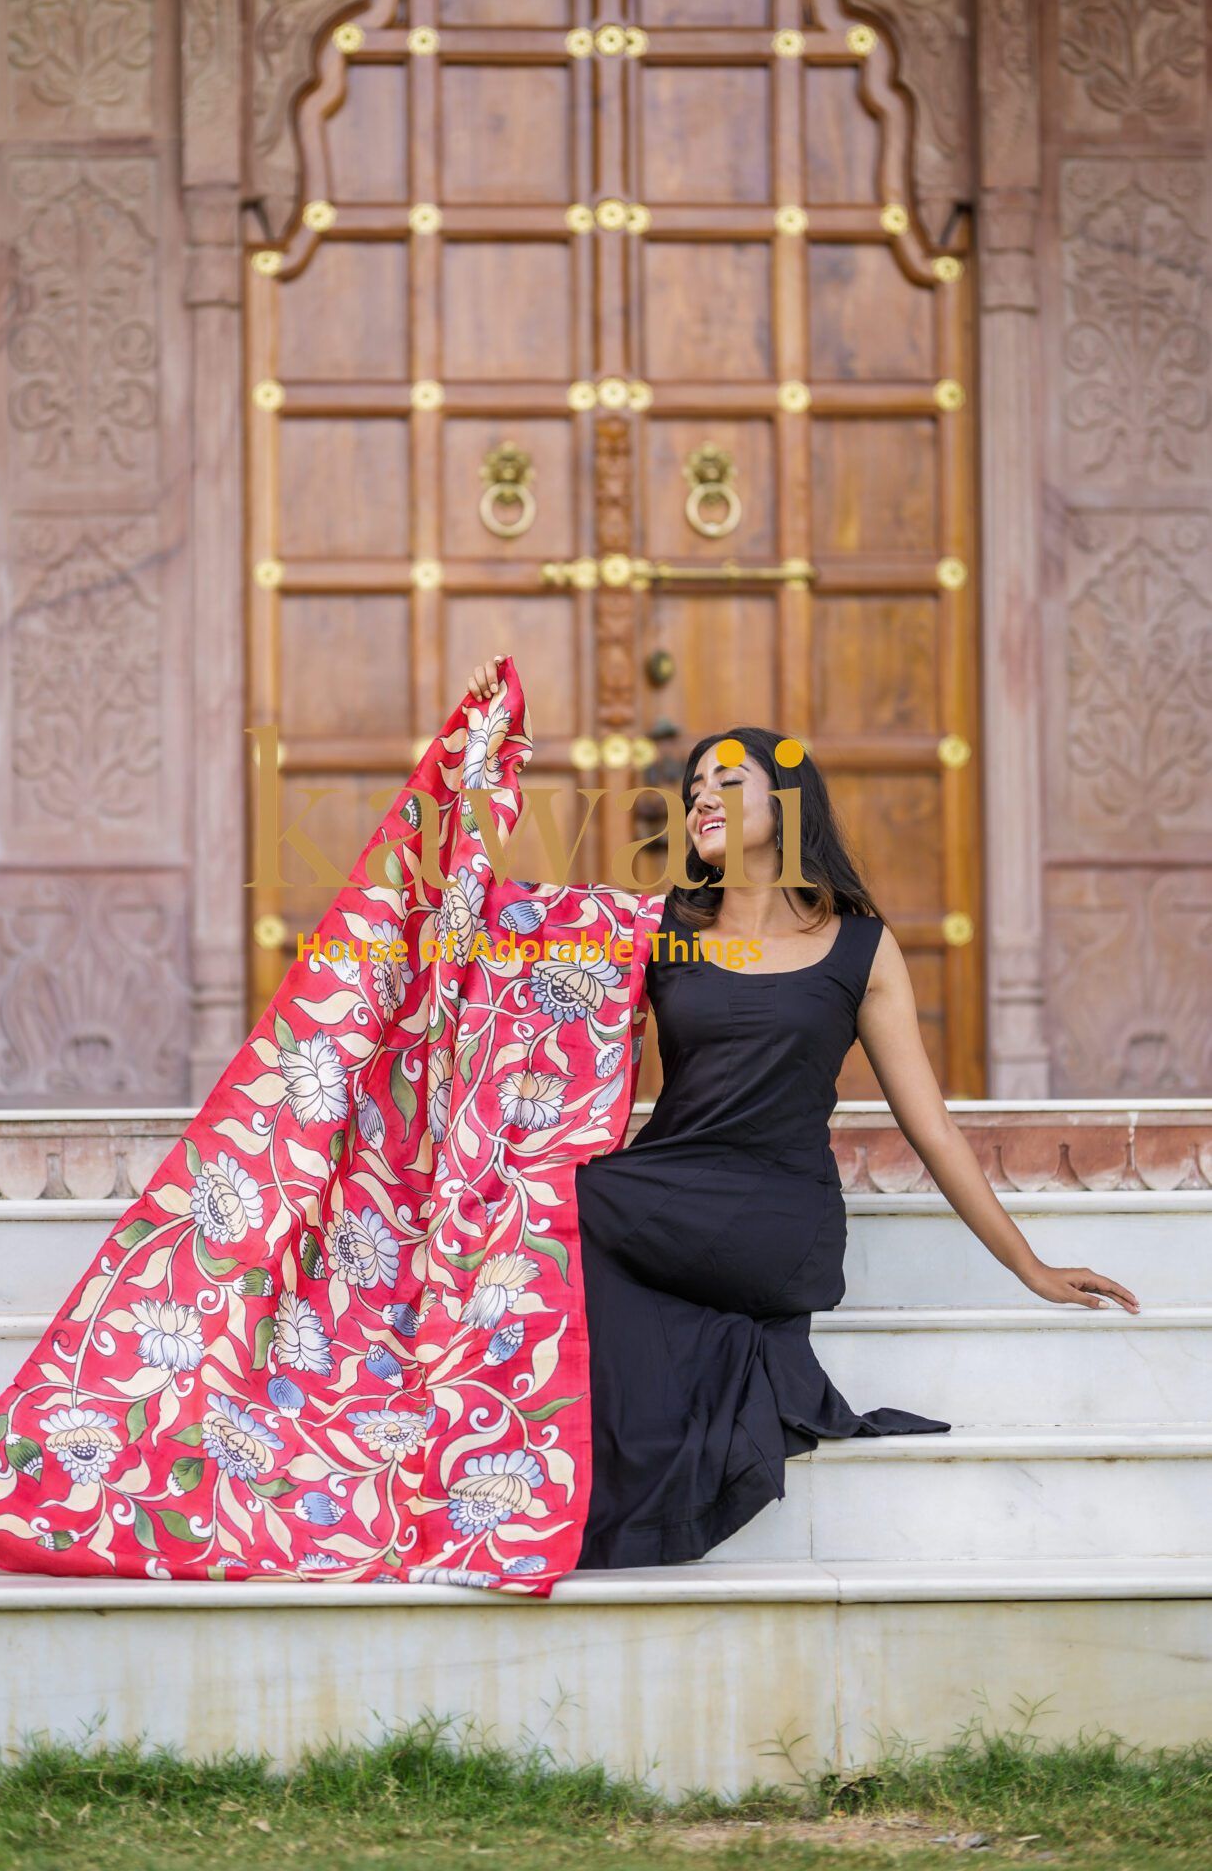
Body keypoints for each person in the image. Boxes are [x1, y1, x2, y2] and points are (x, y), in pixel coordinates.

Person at [465, 655, 1140, 1569]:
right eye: (691, 785)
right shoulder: (657, 929)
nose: (699, 798)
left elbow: (928, 1124)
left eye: (726, 782)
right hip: (669, 1191)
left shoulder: (857, 946)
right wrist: (476, 756)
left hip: (779, 1214)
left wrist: (1029, 1264)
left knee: (561, 1205)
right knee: (534, 1199)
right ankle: (675, 1423)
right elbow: (493, 930)